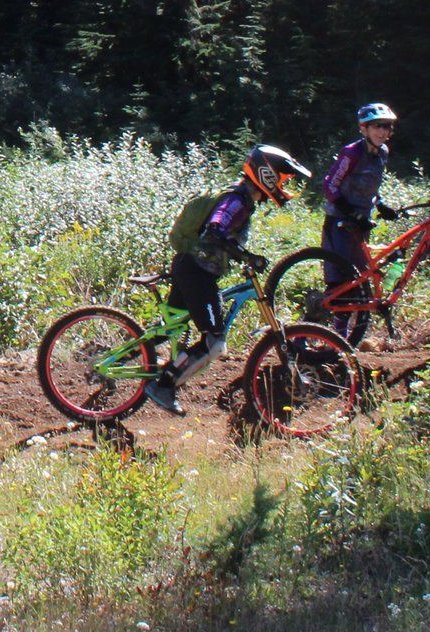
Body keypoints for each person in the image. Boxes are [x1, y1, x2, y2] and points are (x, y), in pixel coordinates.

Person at [146, 144, 312, 416]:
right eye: (283, 179)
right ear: (267, 175)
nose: (285, 184)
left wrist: (241, 254)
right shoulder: (237, 200)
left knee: (168, 328)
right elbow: (215, 230)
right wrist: (247, 256)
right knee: (215, 343)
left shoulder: (242, 198)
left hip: (190, 266)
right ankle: (163, 385)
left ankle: (126, 357)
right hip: (196, 272)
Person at [318, 104, 402, 344]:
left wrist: (381, 203)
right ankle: (332, 337)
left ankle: (345, 340)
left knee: (360, 280)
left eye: (387, 126)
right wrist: (347, 211)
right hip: (339, 222)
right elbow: (329, 185)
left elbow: (372, 186)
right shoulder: (351, 153)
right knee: (341, 282)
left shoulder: (382, 152)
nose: (383, 132)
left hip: (361, 223)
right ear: (363, 128)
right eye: (377, 126)